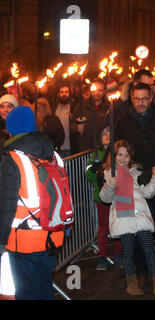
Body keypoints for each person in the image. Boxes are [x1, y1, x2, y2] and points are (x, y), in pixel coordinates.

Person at [115, 82, 155, 288]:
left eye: (144, 98)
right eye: (136, 99)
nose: (141, 103)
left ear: (151, 98)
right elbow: (118, 151)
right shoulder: (123, 123)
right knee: (137, 228)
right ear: (131, 99)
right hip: (133, 183)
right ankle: (142, 270)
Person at [0, 106, 65, 299]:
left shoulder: (12, 159)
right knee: (44, 287)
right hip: (52, 234)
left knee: (25, 292)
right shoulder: (54, 154)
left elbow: (6, 204)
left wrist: (1, 241)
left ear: (11, 128)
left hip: (23, 240)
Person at [99, 140, 155, 297]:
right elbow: (105, 198)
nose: (123, 158)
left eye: (126, 155)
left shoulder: (135, 174)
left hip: (140, 216)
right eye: (120, 154)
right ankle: (131, 284)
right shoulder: (109, 174)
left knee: (149, 250)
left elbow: (147, 193)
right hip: (123, 218)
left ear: (130, 157)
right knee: (128, 251)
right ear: (114, 156)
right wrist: (110, 185)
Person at [85, 127, 122, 271]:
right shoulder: (96, 154)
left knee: (118, 226)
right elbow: (89, 175)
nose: (107, 136)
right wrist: (94, 170)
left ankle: (119, 254)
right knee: (103, 228)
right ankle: (102, 256)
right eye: (104, 134)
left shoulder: (118, 153)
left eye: (110, 134)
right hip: (101, 197)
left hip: (117, 197)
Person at [70, 78, 110, 153]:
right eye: (95, 90)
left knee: (99, 164)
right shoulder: (82, 105)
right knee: (87, 164)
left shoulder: (108, 106)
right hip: (85, 148)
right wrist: (77, 128)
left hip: (102, 148)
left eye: (100, 90)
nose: (97, 93)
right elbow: (71, 125)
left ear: (105, 91)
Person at [53, 84, 77, 157]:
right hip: (57, 147)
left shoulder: (74, 107)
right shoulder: (54, 107)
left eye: (66, 92)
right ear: (58, 94)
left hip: (70, 146)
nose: (64, 94)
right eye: (62, 92)